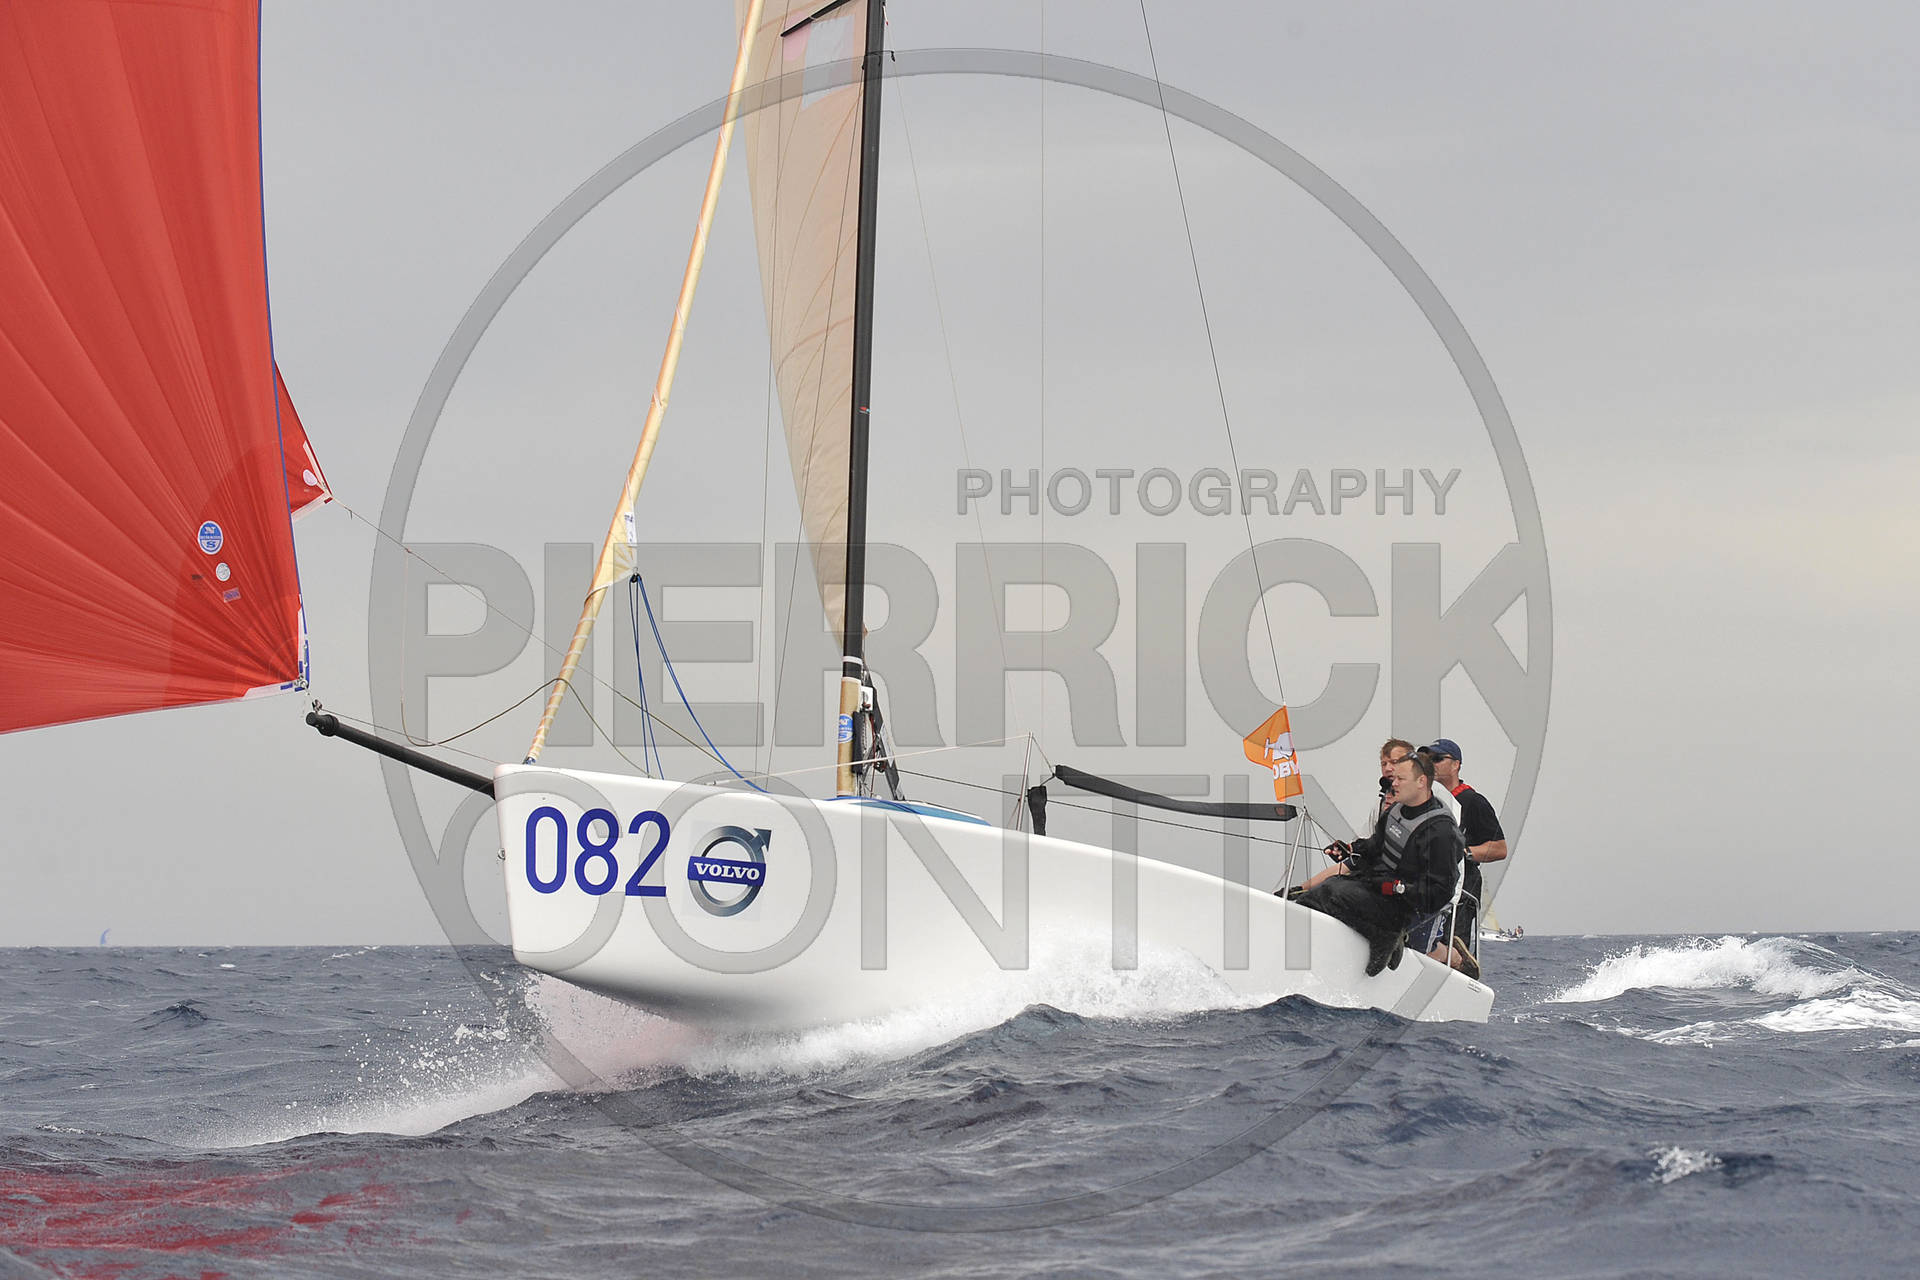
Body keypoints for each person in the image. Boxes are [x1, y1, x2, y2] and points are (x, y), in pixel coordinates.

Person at [1296, 752, 1463, 977]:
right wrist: (1351, 849)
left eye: (1400, 779)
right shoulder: (1395, 810)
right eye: (1394, 778)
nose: (1394, 784)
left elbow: (1440, 892)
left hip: (1403, 905)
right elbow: (1376, 845)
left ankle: (1387, 935)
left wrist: (1398, 888)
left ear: (1421, 781)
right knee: (1319, 893)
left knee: (1330, 893)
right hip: (1377, 889)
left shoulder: (1440, 831)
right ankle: (1332, 953)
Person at [1421, 738, 1506, 969]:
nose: (1431, 764)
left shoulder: (1473, 802)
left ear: (1456, 764)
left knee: (1454, 941)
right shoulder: (1424, 800)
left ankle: (1458, 968)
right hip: (1429, 883)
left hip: (1463, 884)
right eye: (1428, 759)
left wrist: (1463, 852)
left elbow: (1499, 848)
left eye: (1438, 759)